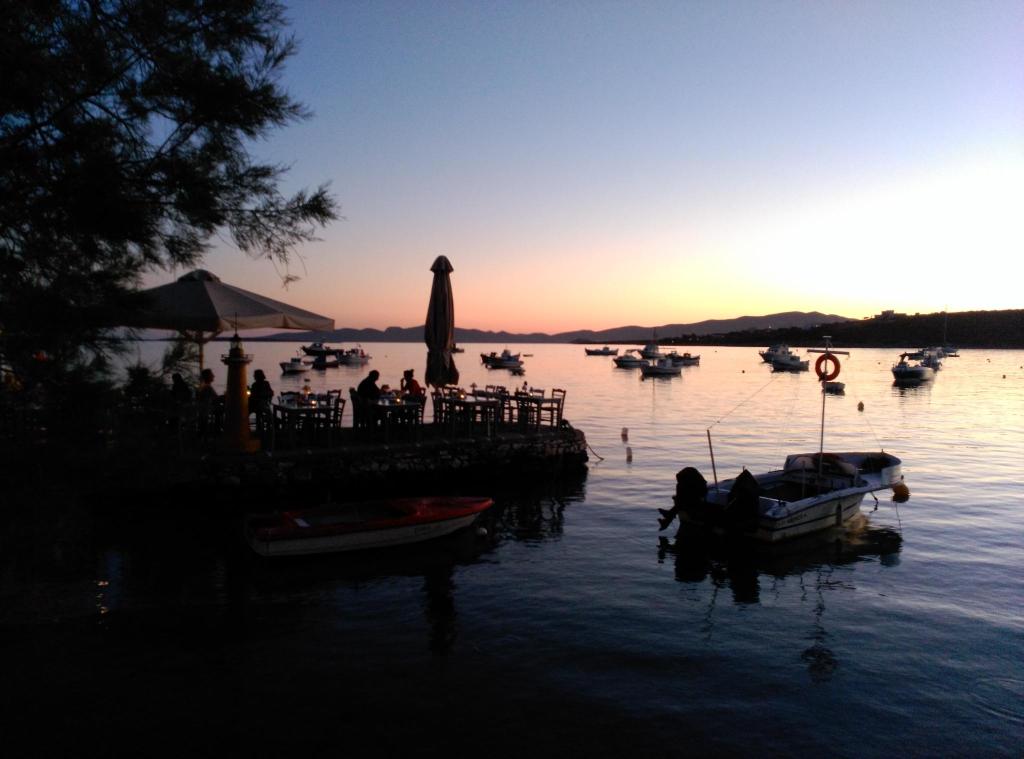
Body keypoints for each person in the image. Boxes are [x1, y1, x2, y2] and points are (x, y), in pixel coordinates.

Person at [249, 369, 274, 434]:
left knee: (247, 411)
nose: (253, 376)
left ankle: (256, 428)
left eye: (254, 375)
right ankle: (267, 428)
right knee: (266, 413)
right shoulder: (265, 383)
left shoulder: (256, 385)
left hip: (258, 405)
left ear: (257, 376)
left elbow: (253, 396)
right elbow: (271, 393)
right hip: (263, 405)